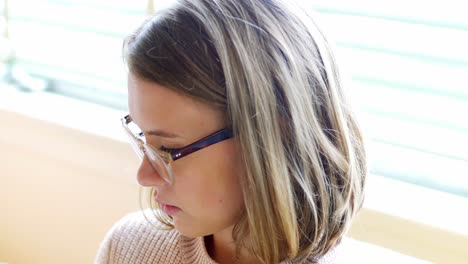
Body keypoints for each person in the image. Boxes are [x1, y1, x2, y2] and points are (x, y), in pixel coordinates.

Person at [95, 0, 366, 263]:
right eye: (142, 138)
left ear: (273, 138)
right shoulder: (128, 249)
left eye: (167, 149)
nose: (144, 176)